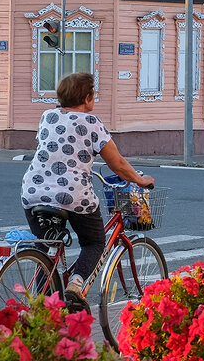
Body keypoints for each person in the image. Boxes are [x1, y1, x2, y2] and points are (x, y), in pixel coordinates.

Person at [21, 71, 154, 312]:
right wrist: (140, 180)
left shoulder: (47, 116)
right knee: (94, 242)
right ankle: (76, 283)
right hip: (72, 195)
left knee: (46, 252)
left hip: (33, 191)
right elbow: (118, 164)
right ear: (87, 97)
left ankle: (43, 312)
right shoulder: (91, 123)